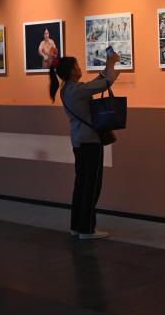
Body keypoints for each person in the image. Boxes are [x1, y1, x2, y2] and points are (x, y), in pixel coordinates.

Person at [49, 52, 120, 240]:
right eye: (78, 65)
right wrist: (111, 63)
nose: (80, 68)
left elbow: (94, 84)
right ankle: (87, 229)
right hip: (90, 141)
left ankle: (77, 226)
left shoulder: (67, 89)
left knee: (81, 185)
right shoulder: (77, 90)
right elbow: (104, 83)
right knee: (92, 186)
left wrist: (106, 67)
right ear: (72, 71)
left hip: (79, 141)